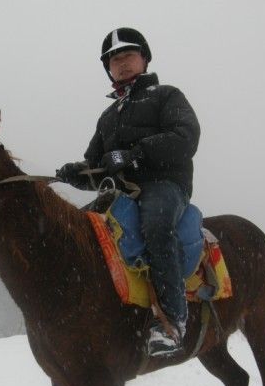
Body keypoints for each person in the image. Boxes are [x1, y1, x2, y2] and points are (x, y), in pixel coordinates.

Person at [56, 27, 200, 357]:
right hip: (119, 192)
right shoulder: (107, 117)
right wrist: (74, 173)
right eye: (114, 59)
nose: (121, 63)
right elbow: (97, 168)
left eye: (128, 56)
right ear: (108, 68)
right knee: (74, 229)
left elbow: (187, 136)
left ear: (144, 59)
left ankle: (172, 323)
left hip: (164, 186)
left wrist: (136, 153)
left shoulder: (167, 96)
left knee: (155, 226)